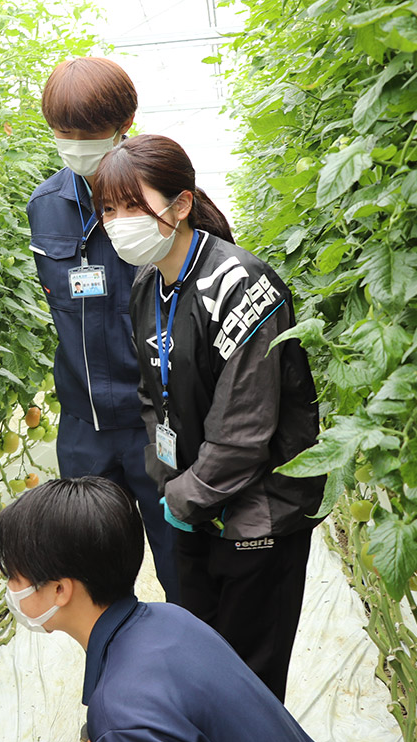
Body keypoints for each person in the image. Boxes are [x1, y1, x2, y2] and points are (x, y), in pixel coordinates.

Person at [92, 134, 325, 702]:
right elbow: (152, 396)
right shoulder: (148, 285)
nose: (119, 222)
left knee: (250, 681)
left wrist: (182, 497)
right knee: (202, 668)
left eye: (133, 205)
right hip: (195, 511)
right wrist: (168, 480)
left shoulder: (242, 286)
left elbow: (246, 430)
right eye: (108, 209)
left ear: (181, 203)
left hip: (257, 520)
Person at [0, 476, 323, 742]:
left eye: (13, 576)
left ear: (60, 590)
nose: (11, 589)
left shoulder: (122, 716)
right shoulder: (170, 619)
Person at [27, 58, 179, 604]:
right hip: (84, 426)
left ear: (125, 123)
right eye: (62, 133)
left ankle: (191, 667)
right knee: (94, 579)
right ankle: (119, 677)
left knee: (181, 563)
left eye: (87, 134)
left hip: (156, 421)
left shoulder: (160, 198)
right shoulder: (45, 208)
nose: (75, 146)